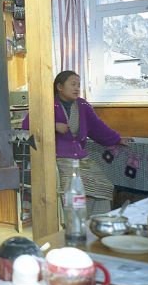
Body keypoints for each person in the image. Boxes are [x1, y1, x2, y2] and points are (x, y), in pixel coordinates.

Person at [22, 70, 132, 216]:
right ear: (60, 87)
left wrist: (117, 139)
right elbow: (27, 125)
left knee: (103, 186)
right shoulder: (46, 104)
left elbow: (97, 127)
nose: (77, 88)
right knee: (73, 191)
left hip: (79, 156)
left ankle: (96, 222)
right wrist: (53, 126)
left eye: (79, 85)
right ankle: (74, 224)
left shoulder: (82, 105)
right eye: (73, 84)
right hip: (58, 158)